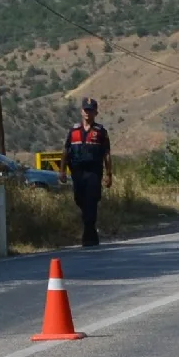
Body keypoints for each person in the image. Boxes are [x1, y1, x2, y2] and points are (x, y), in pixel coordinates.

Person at [64, 98, 112, 246]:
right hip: (77, 172)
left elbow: (107, 154)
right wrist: (62, 171)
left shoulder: (100, 131)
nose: (87, 113)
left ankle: (89, 233)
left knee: (91, 200)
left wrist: (109, 174)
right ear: (81, 111)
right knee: (79, 199)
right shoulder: (73, 131)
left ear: (95, 113)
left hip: (93, 172)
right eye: (85, 110)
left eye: (90, 110)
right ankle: (89, 227)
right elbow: (66, 151)